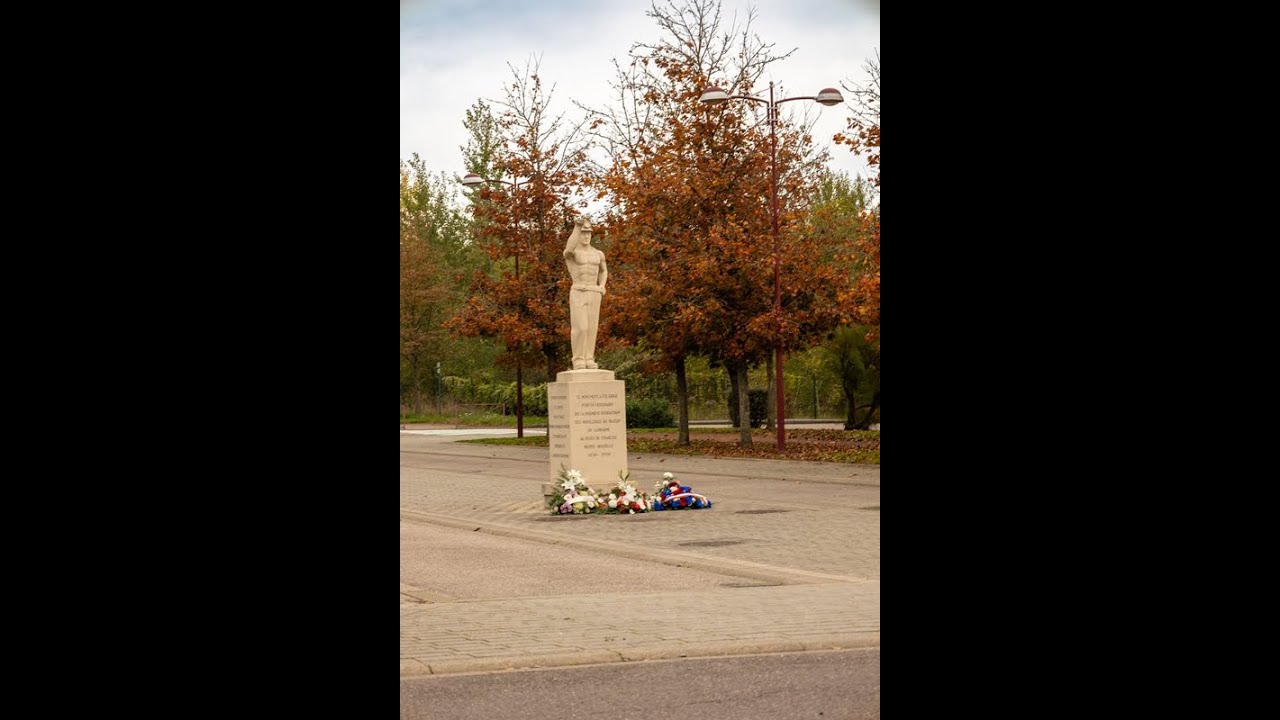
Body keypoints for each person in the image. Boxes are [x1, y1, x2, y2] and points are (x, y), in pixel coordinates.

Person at [562, 215, 607, 370]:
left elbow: (603, 271)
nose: (586, 236)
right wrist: (577, 226)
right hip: (579, 290)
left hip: (594, 291)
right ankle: (578, 359)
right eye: (583, 232)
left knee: (592, 328)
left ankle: (589, 357)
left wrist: (602, 285)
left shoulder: (598, 253)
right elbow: (568, 249)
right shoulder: (573, 253)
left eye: (588, 233)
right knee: (581, 327)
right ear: (579, 234)